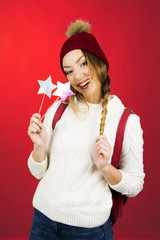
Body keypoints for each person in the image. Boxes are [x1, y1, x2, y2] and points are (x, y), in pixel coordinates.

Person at [27, 20, 145, 240]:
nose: (77, 75)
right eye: (68, 71)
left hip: (89, 231)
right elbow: (38, 172)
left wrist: (105, 167)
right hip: (43, 221)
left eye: (83, 64)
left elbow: (135, 184)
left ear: (98, 61)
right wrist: (39, 146)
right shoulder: (59, 107)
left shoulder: (126, 120)